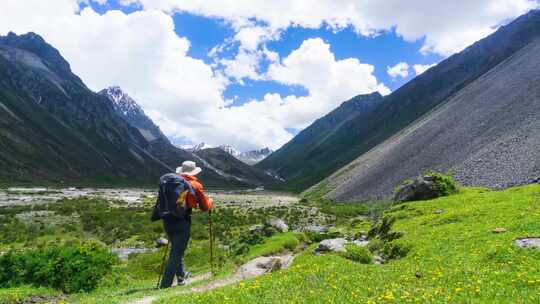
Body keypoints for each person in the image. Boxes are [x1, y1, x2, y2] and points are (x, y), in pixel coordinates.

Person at [159, 160, 213, 289]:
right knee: (177, 252)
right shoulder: (195, 184)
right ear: (194, 172)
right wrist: (210, 201)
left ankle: (182, 276)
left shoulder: (169, 183)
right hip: (183, 221)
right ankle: (165, 285)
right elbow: (204, 207)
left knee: (176, 250)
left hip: (167, 219)